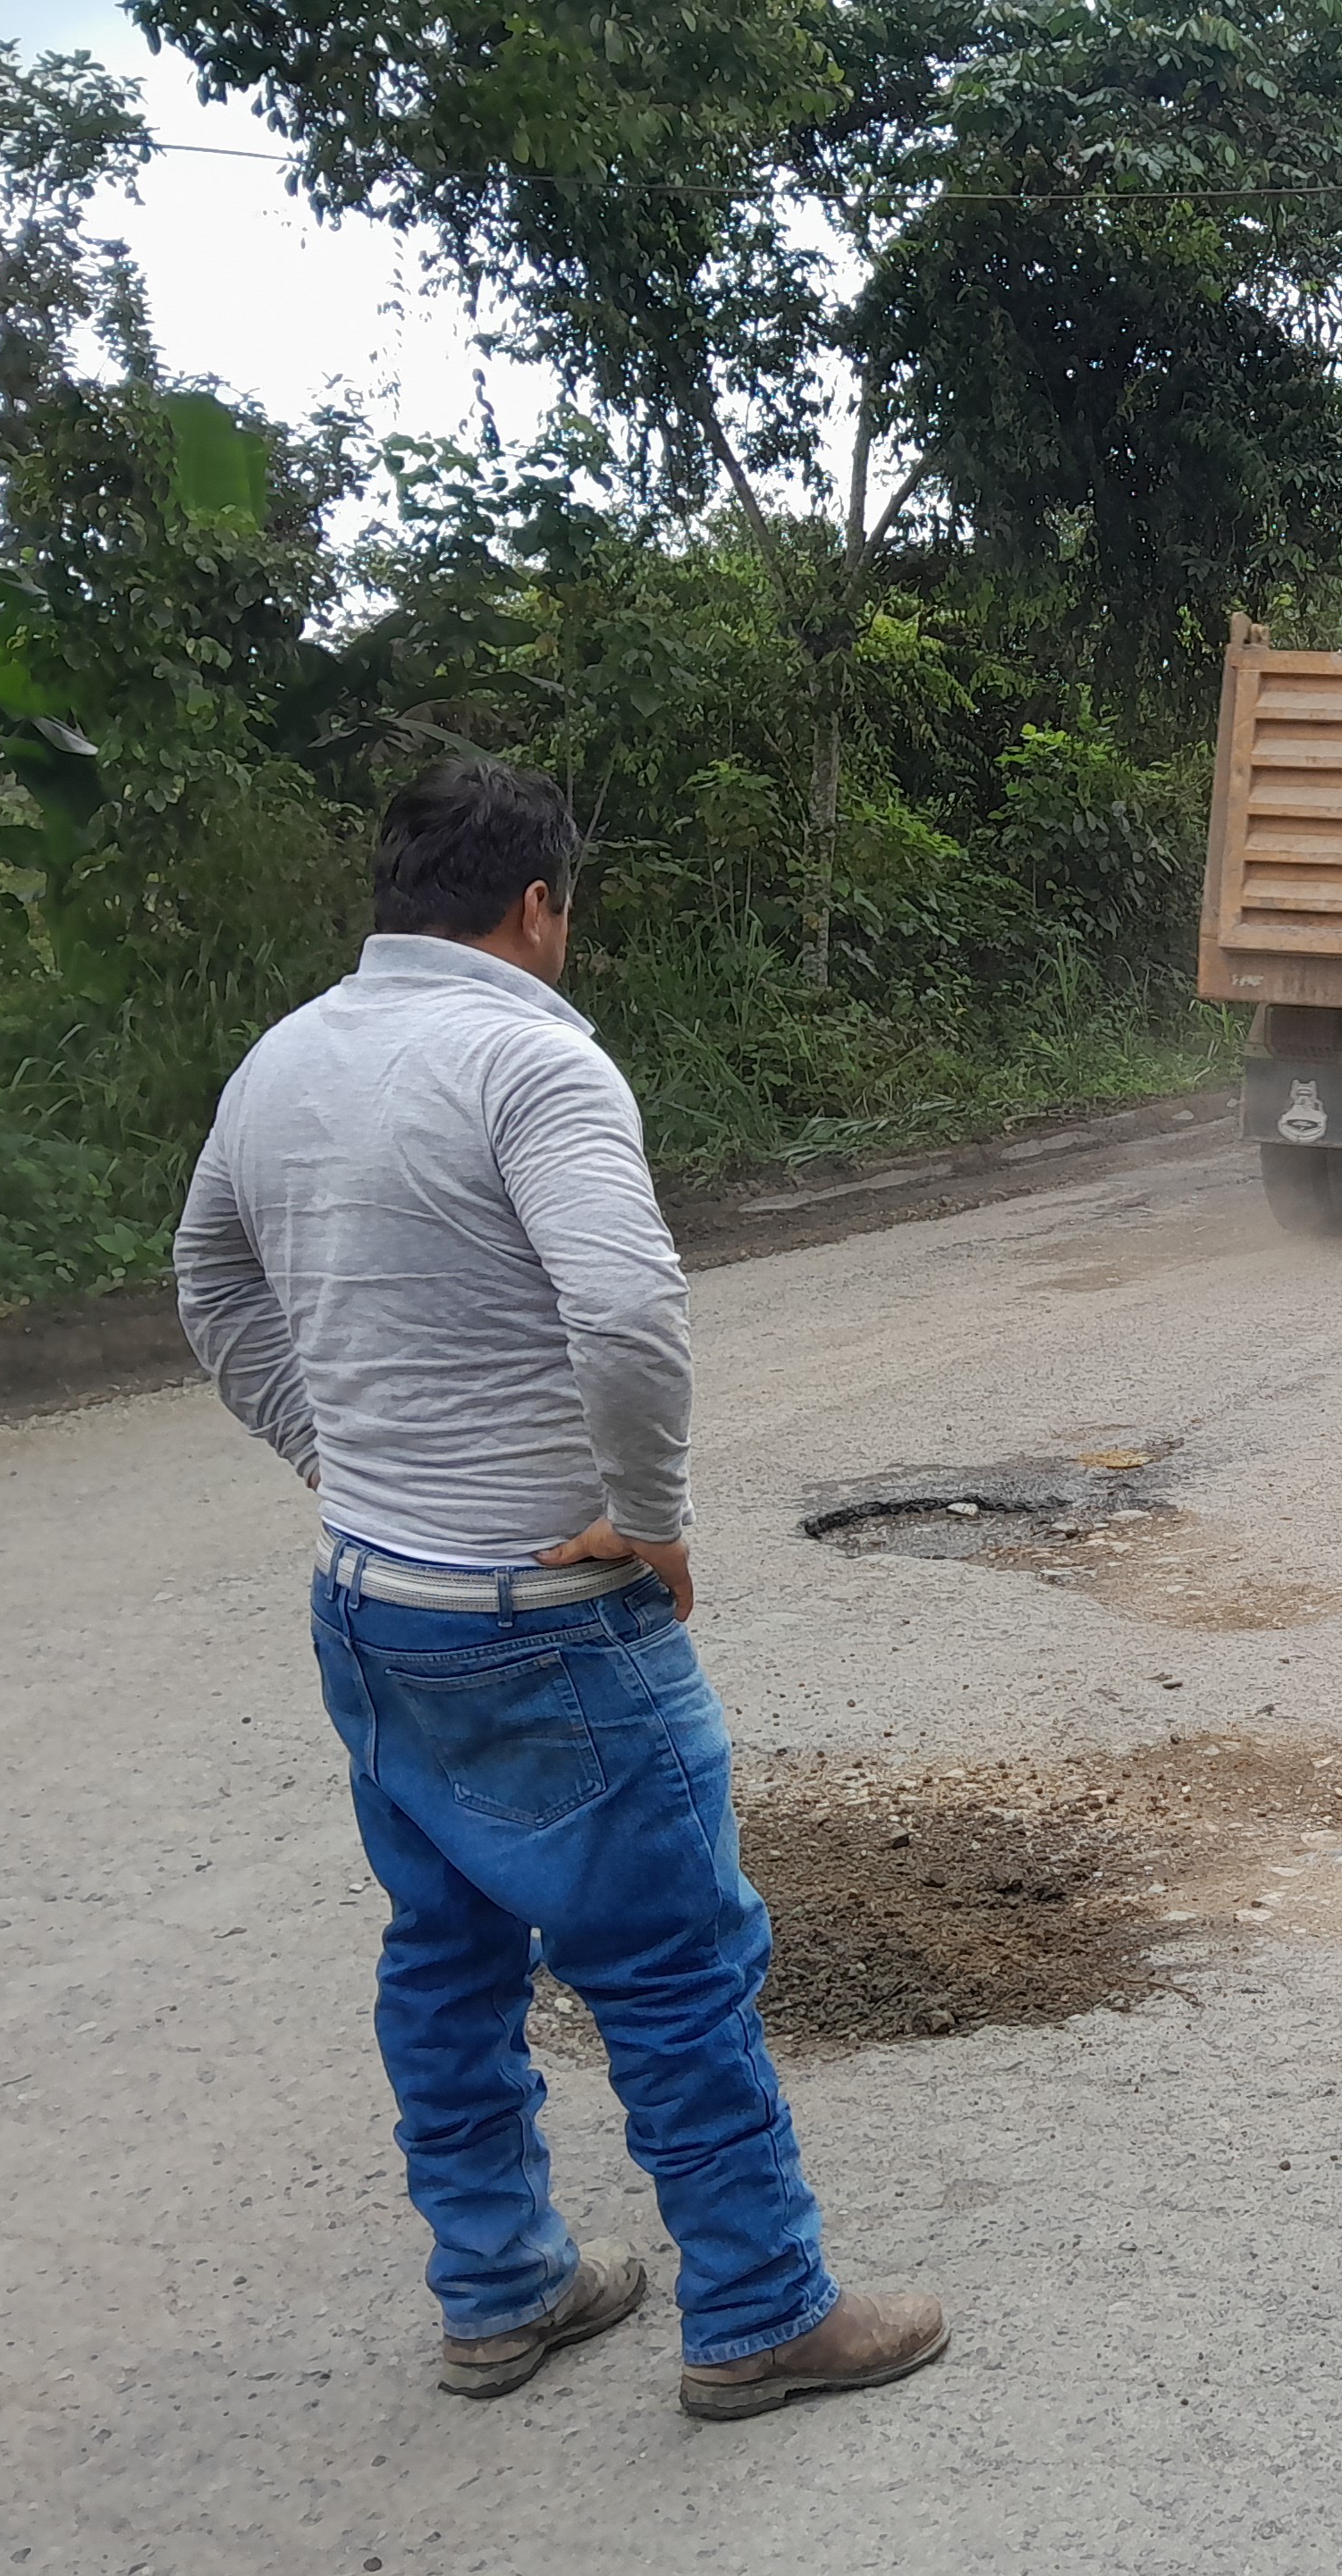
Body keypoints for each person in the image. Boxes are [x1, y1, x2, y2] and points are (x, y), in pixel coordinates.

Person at [176, 756, 946, 2420]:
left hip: (373, 1604)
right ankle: (760, 2313)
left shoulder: (281, 1058)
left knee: (444, 1953)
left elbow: (209, 1283)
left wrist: (331, 1452)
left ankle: (501, 2288)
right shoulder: (531, 1059)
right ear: (539, 905)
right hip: (544, 1619)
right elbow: (626, 1311)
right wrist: (651, 1517)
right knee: (674, 1970)